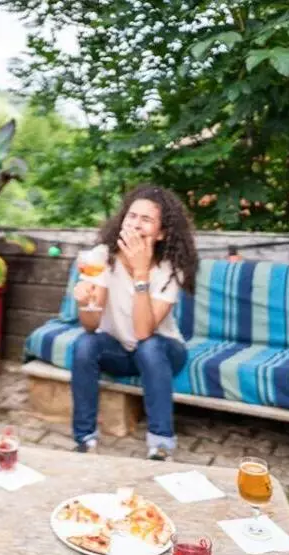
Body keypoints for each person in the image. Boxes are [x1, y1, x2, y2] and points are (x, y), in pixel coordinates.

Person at [70, 184, 198, 462]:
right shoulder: (103, 257)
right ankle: (84, 440)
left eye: (146, 219)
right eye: (132, 216)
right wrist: (84, 301)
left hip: (164, 352)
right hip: (118, 350)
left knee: (149, 347)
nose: (135, 224)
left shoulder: (169, 270)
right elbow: (91, 324)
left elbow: (143, 332)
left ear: (162, 233)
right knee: (84, 344)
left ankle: (161, 444)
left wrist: (141, 272)